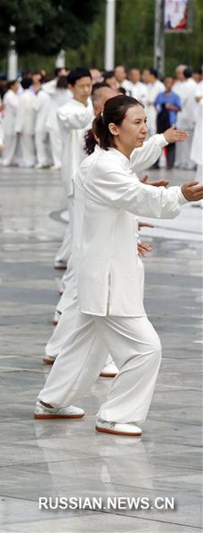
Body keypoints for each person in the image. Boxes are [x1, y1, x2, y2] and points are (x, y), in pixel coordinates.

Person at [35, 95, 203, 437]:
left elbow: (123, 202)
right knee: (146, 348)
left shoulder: (113, 163)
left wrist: (131, 232)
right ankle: (115, 415)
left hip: (103, 267)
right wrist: (179, 196)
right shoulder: (104, 167)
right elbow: (137, 198)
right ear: (114, 128)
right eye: (137, 122)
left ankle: (51, 402)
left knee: (87, 344)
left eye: (145, 121)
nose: (144, 129)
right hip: (108, 276)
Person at [53, 68, 93, 271]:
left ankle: (62, 257)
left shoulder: (93, 106)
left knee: (80, 220)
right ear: (71, 87)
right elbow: (79, 120)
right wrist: (97, 110)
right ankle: (73, 268)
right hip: (74, 172)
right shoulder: (65, 110)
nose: (86, 90)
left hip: (92, 171)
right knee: (79, 221)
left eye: (89, 85)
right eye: (82, 86)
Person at [155, 76, 182, 169]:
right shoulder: (160, 95)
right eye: (166, 82)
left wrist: (170, 107)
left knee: (171, 143)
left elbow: (179, 108)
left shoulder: (175, 96)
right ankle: (156, 163)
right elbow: (156, 104)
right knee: (159, 141)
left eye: (170, 82)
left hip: (170, 122)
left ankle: (170, 164)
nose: (168, 84)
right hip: (161, 121)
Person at [16, 77, 37, 168]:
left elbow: (21, 113)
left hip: (25, 124)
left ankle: (28, 161)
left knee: (25, 144)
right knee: (30, 144)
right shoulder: (33, 95)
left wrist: (18, 127)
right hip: (32, 123)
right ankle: (31, 160)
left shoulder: (23, 97)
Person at [0, 79, 20, 166]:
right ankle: (5, 160)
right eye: (16, 84)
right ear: (12, 86)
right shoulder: (9, 95)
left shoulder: (14, 95)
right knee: (8, 142)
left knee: (12, 142)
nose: (18, 86)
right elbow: (17, 107)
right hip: (9, 122)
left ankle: (10, 159)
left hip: (12, 122)